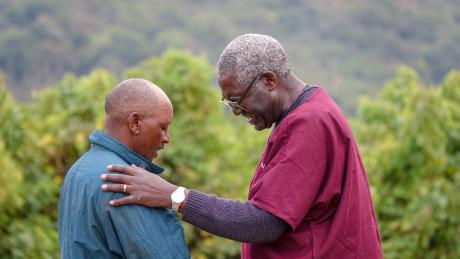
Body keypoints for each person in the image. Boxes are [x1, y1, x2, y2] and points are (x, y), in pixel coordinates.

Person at [101, 34, 383, 259]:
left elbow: (264, 222)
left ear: (269, 81)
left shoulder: (310, 123)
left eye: (237, 100)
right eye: (229, 103)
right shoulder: (300, 118)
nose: (236, 111)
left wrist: (173, 196)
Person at [58, 78, 190, 258]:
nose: (167, 138)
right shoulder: (125, 181)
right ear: (135, 123)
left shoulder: (78, 170)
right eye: (163, 127)